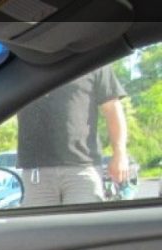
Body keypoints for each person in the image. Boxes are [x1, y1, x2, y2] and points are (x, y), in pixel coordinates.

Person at [17, 65, 129, 206]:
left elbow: (112, 108)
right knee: (40, 227)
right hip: (36, 171)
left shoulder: (93, 58)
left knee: (82, 225)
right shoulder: (23, 63)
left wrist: (120, 154)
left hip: (83, 168)